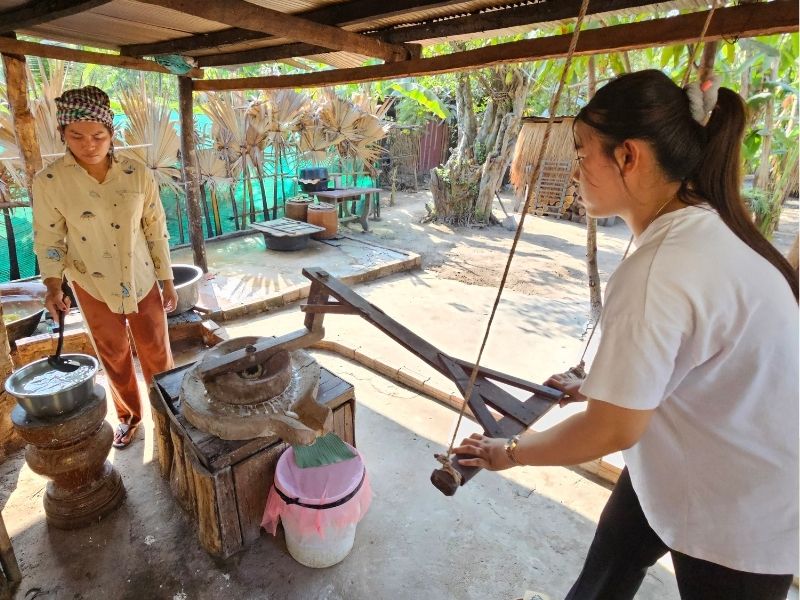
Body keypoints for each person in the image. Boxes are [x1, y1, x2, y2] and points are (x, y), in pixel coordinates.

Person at [454, 70, 798, 599]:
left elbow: (609, 431)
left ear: (629, 156)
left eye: (583, 150)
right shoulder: (707, 222)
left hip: (743, 509)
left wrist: (510, 452)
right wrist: (605, 385)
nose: (574, 168)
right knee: (605, 576)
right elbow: (693, 352)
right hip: (687, 456)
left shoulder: (661, 267)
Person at [33, 86, 177, 449]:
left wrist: (167, 280)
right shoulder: (50, 182)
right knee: (112, 354)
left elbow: (155, 229)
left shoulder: (136, 173)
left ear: (111, 134)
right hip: (91, 283)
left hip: (142, 277)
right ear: (63, 134)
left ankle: (171, 410)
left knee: (157, 348)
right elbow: (50, 241)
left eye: (98, 135)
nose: (89, 144)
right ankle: (129, 417)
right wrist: (53, 286)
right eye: (77, 136)